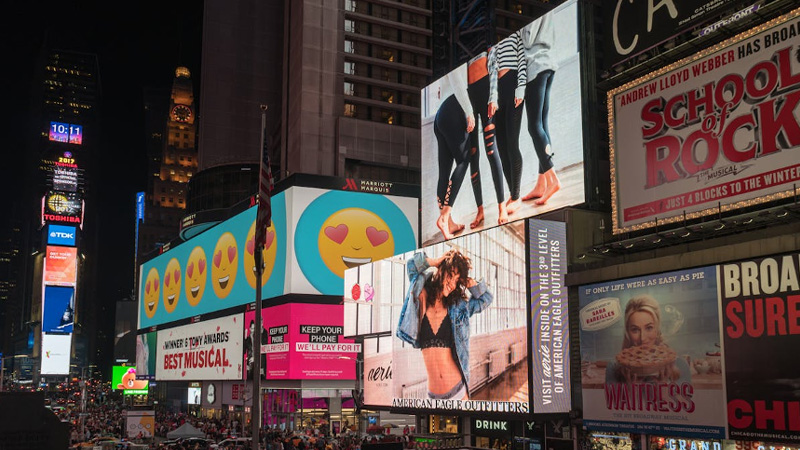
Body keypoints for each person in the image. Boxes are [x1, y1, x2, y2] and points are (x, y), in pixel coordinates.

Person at [397, 250, 493, 400]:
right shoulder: (421, 294)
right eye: (450, 275)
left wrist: (470, 283)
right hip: (432, 397)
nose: (452, 284)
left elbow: (486, 299)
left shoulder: (459, 307)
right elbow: (411, 265)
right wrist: (435, 261)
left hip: (458, 392)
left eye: (457, 280)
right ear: (441, 270)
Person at [519, 13, 560, 205]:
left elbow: (527, 39)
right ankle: (541, 183)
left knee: (533, 127)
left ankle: (553, 179)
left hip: (535, 66)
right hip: (548, 63)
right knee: (542, 125)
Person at [605, 295, 691, 384]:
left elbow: (687, 398)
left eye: (649, 328)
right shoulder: (613, 368)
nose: (642, 338)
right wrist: (630, 389)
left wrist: (663, 389)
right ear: (627, 333)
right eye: (635, 330)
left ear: (657, 329)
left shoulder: (681, 365)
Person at [433, 66, 476, 241]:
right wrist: (469, 111)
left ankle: (448, 222)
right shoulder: (455, 62)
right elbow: (458, 82)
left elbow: (439, 91)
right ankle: (444, 217)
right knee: (464, 160)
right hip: (453, 108)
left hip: (440, 115)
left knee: (444, 171)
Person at [467, 51, 509, 226]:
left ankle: (502, 207)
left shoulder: (486, 40)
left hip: (485, 90)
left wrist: (493, 97)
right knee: (472, 155)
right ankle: (480, 211)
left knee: (492, 151)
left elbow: (493, 67)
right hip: (469, 96)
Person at [488, 30, 527, 218]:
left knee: (512, 143)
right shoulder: (492, 46)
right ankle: (513, 195)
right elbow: (491, 73)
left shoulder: (515, 34)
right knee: (501, 147)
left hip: (513, 85)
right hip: (498, 93)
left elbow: (522, 60)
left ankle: (517, 196)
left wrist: (521, 87)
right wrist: (492, 98)